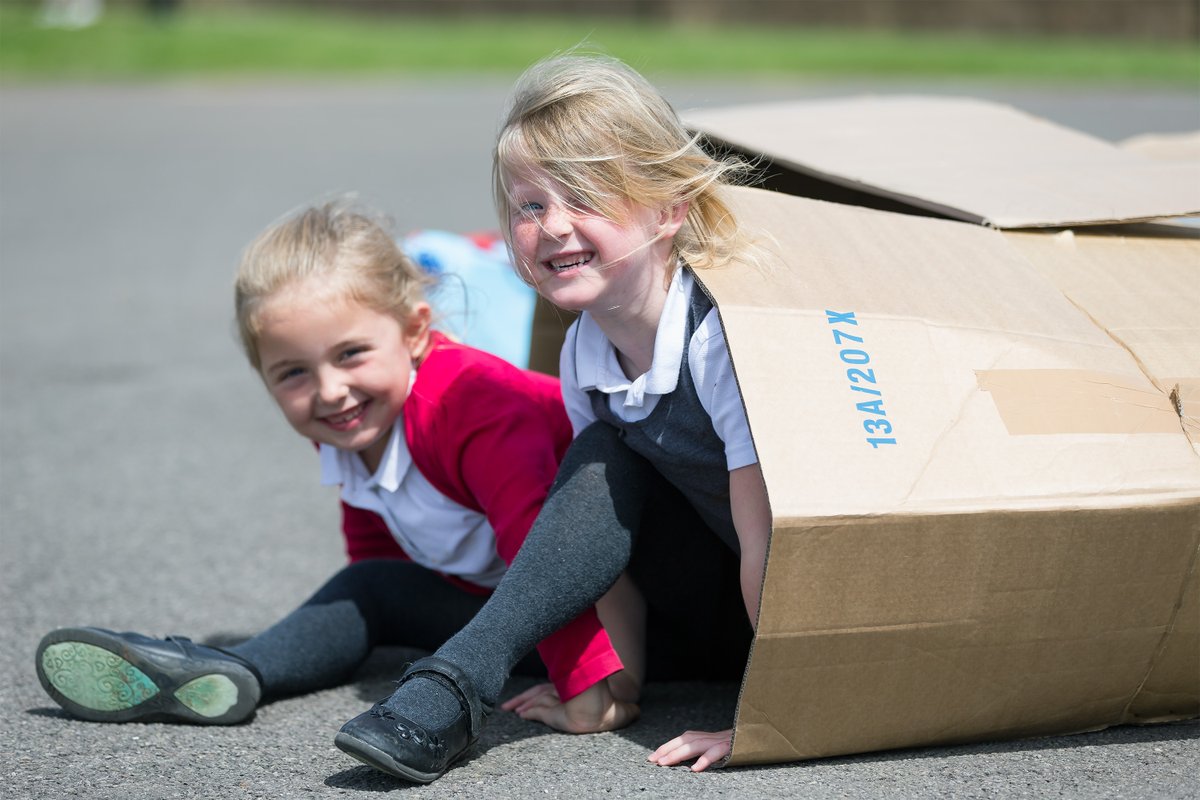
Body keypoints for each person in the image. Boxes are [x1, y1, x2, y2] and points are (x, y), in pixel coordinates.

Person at [34, 200, 636, 732]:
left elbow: (545, 554)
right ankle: (228, 671)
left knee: (477, 572)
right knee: (369, 585)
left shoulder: (470, 402)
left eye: (351, 354)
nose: (329, 391)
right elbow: (378, 535)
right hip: (516, 611)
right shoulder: (355, 418)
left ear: (415, 331)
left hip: (634, 610)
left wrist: (585, 689)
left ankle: (551, 677)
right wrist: (378, 622)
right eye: (293, 372)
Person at [333, 53, 771, 783]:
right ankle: (480, 673)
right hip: (697, 615)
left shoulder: (718, 337)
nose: (554, 227)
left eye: (586, 199)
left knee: (607, 451)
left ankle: (458, 677)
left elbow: (764, 539)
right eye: (530, 206)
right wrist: (617, 686)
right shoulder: (584, 353)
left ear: (669, 211)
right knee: (602, 452)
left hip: (785, 617)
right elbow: (600, 546)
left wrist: (769, 715)